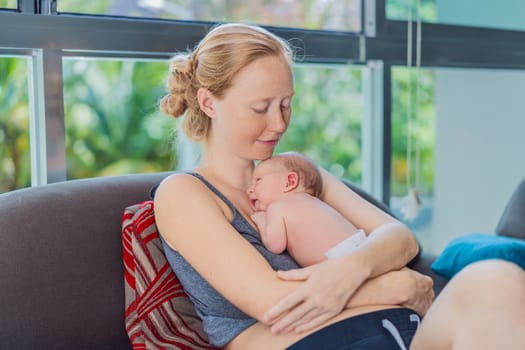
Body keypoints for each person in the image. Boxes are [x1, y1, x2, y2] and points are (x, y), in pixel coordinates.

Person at [153, 22, 525, 350]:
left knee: (496, 280)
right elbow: (273, 302)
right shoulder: (184, 194)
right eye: (260, 107)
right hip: (314, 342)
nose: (279, 123)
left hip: (398, 333)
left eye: (286, 105)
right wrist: (395, 287)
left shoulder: (291, 171)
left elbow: (400, 238)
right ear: (209, 103)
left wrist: (352, 269)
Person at [248, 151, 367, 266]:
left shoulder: (278, 207)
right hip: (363, 245)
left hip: (337, 259)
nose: (250, 189)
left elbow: (275, 245)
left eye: (258, 181)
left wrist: (262, 222)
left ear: (290, 181)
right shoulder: (315, 202)